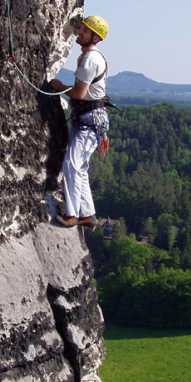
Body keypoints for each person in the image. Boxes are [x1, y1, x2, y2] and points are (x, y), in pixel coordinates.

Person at [48, 15, 109, 227]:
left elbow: (79, 94)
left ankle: (72, 215)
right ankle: (87, 213)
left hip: (89, 121)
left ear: (95, 37)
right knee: (80, 167)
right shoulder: (90, 56)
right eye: (81, 28)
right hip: (89, 119)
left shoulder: (91, 59)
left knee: (71, 165)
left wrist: (57, 87)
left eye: (85, 30)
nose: (80, 32)